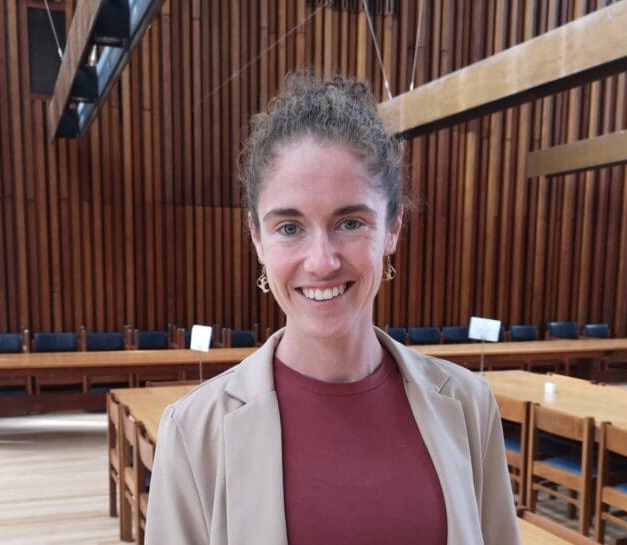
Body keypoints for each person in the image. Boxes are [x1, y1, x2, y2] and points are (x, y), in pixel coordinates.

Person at [145, 73, 519, 545]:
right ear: (257, 238)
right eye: (289, 228)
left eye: (350, 222)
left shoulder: (469, 406)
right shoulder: (193, 435)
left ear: (393, 228)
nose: (322, 261)